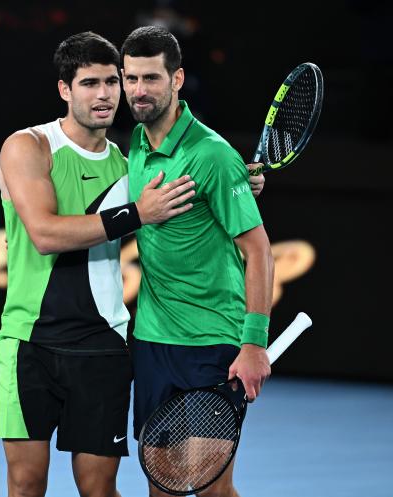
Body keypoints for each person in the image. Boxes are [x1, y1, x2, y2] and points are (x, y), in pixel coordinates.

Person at [0, 32, 197, 497]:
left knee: (97, 488)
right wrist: (136, 213)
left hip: (102, 347)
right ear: (65, 90)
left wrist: (244, 182)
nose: (104, 95)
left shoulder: (130, 167)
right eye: (89, 83)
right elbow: (44, 235)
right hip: (29, 343)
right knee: (25, 484)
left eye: (112, 82)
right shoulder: (28, 147)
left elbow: (193, 189)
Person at [120, 26, 274, 497]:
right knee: (163, 486)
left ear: (178, 78)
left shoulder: (213, 155)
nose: (138, 90)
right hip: (151, 344)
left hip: (211, 345)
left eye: (151, 78)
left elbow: (259, 251)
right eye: (130, 79)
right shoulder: (136, 146)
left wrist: (253, 344)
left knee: (210, 488)